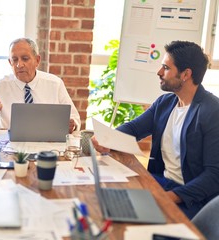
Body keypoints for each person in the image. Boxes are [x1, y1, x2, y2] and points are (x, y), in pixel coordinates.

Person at [92, 40, 219, 219]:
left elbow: (214, 176)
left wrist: (168, 198)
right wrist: (108, 138)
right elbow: (133, 128)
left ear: (186, 74)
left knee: (127, 219)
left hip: (190, 197)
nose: (159, 72)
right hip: (161, 181)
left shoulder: (212, 111)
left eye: (166, 68)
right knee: (105, 199)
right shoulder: (165, 103)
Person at [0, 37, 81, 133]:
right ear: (10, 62)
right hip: (9, 146)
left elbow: (74, 118)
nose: (19, 65)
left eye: (25, 58)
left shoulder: (55, 84)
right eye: (15, 60)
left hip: (47, 145)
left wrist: (72, 125)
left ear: (37, 60)